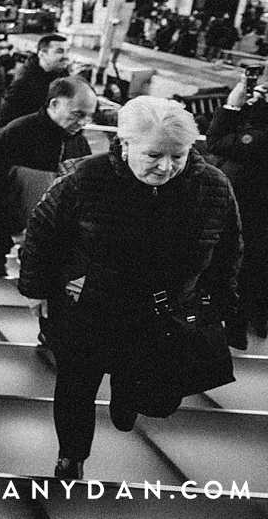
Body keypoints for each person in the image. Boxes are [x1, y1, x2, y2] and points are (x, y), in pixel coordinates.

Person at [19, 96, 244, 480]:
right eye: (154, 154)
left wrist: (224, 307)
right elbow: (43, 232)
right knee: (76, 385)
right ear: (124, 144)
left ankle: (127, 399)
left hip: (163, 312)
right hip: (91, 306)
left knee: (143, 381)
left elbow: (228, 250)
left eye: (178, 155)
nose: (167, 166)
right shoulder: (84, 179)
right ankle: (71, 457)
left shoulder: (212, 186)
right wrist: (36, 288)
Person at [0, 77, 96, 321]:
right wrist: (9, 222)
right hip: (1, 218)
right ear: (54, 104)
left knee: (48, 277)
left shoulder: (79, 143)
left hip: (45, 228)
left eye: (89, 116)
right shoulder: (16, 134)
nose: (84, 122)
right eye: (78, 114)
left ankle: (48, 327)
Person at [208, 77, 268, 338]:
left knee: (239, 266)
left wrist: (233, 105)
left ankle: (237, 327)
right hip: (253, 215)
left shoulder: (256, 140)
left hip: (248, 214)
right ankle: (253, 322)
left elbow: (216, 140)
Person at [0, 34, 71, 128]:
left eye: (68, 51)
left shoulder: (63, 74)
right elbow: (3, 122)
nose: (66, 56)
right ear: (42, 54)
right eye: (59, 51)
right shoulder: (24, 83)